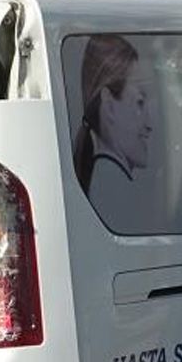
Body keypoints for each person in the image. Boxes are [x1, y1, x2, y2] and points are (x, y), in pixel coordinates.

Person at [73, 34, 154, 229]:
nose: (149, 124)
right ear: (108, 104)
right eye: (139, 102)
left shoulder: (104, 180)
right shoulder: (114, 190)